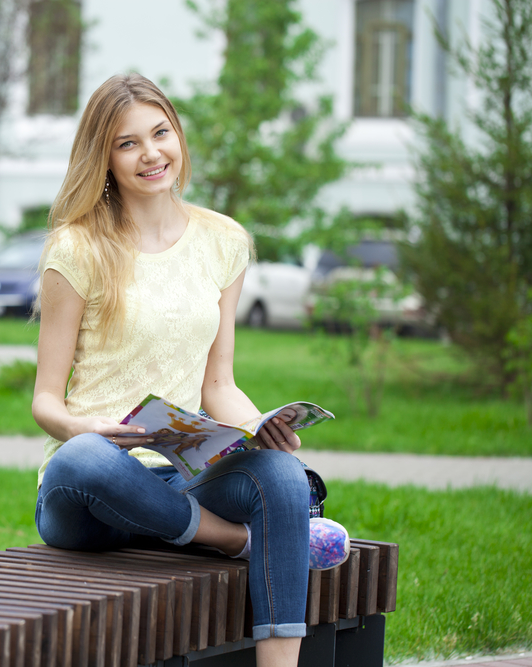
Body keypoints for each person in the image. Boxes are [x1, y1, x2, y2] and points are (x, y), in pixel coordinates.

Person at [32, 73, 348, 667]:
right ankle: (235, 541)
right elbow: (45, 401)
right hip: (88, 490)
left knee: (280, 473)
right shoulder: (76, 249)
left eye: (161, 133)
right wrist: (86, 427)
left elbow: (217, 384)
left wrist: (264, 430)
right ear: (104, 157)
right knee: (89, 457)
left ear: (178, 135)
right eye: (127, 143)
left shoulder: (222, 241)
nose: (151, 153)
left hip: (176, 477)